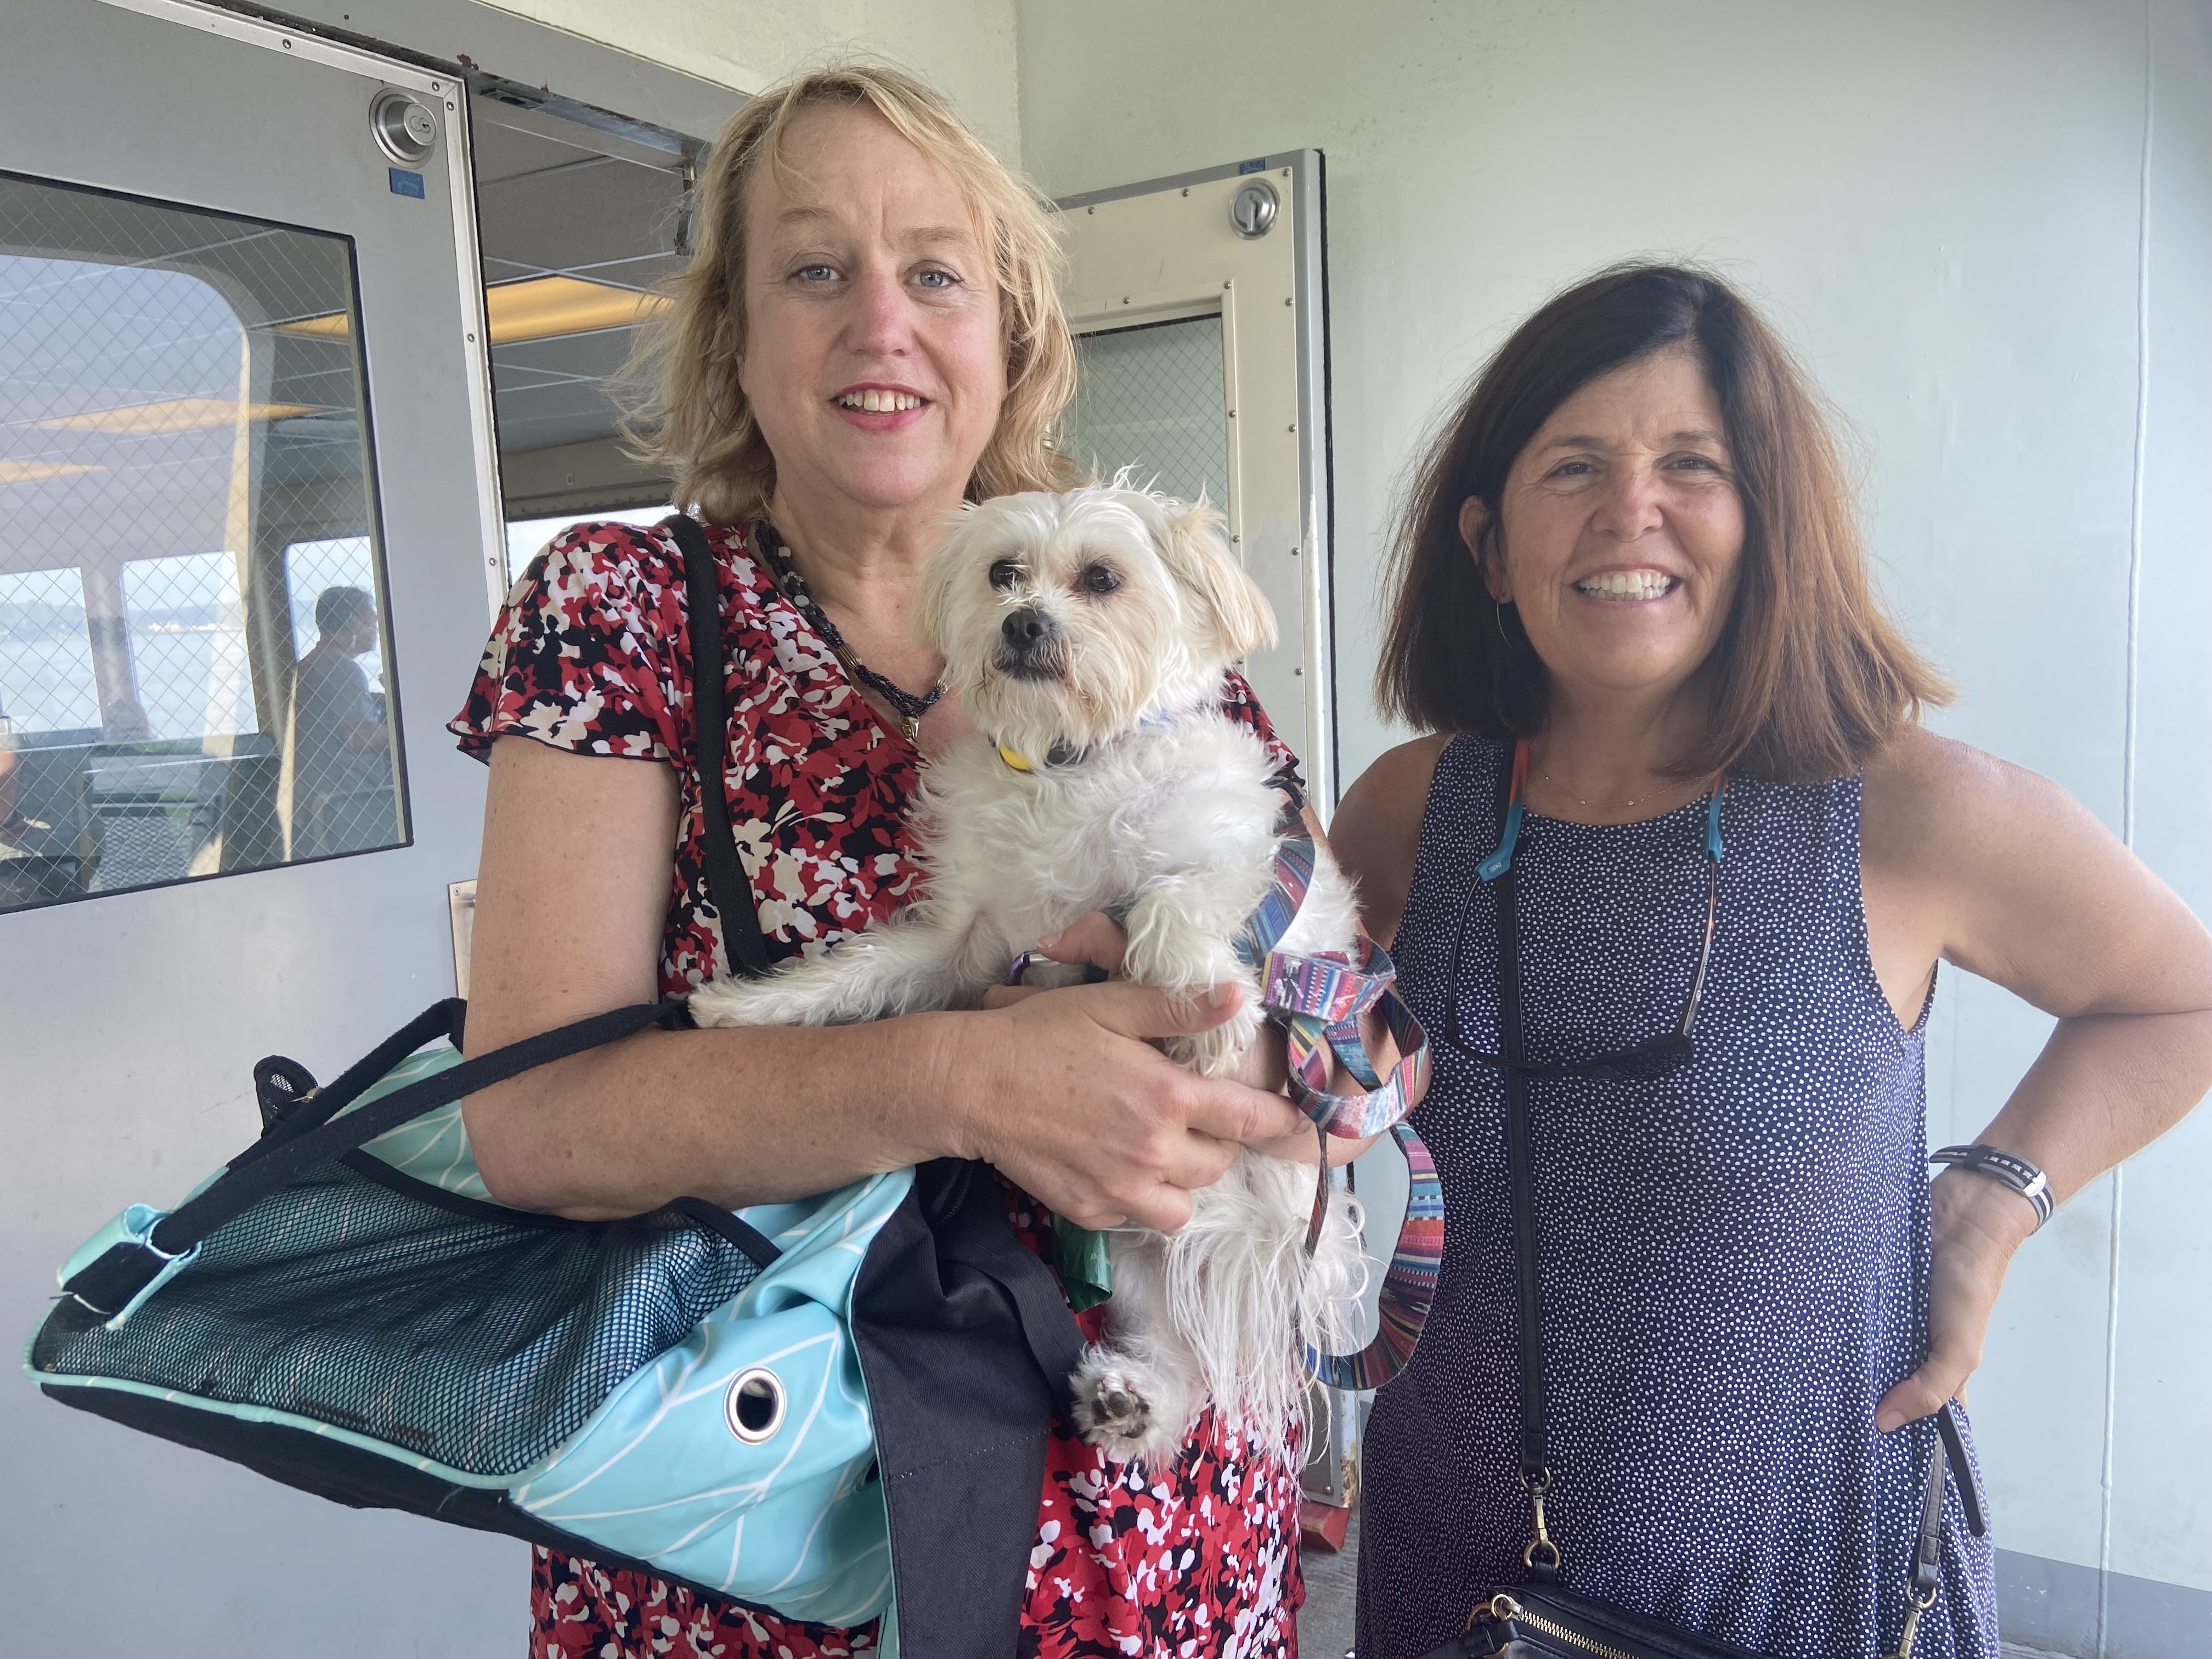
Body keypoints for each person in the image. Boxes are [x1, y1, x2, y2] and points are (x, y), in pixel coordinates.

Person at [449, 66, 1328, 1659]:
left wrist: (1271, 1060)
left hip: (1167, 1547)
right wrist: (971, 1080)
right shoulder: (622, 609)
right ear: (734, 334)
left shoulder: (1157, 635)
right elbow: (530, 1127)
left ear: (1010, 334)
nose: (881, 324)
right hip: (785, 1536)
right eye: (814, 269)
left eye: (935, 273)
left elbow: (1339, 1001)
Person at [1330, 264, 2212, 1659]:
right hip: (1461, 1561)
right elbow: (1289, 1054)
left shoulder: (1905, 811)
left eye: (1693, 464)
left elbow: (2181, 998)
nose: (1633, 510)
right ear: (1489, 545)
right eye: (1575, 466)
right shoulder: (1411, 813)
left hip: (1802, 1574)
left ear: (1768, 523)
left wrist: (1993, 1205)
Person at [290, 584, 392, 855]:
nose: (376, 626)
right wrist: (406, 730)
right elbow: (359, 737)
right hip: (348, 801)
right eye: (371, 619)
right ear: (354, 622)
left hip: (318, 798)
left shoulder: (315, 665)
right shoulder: (343, 670)